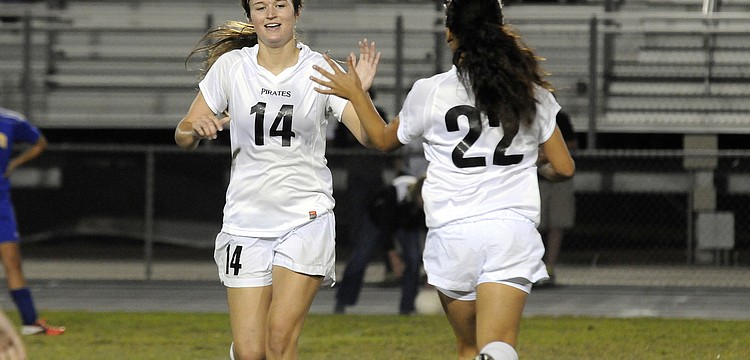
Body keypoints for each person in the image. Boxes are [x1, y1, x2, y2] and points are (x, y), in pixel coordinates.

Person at [311, 0, 575, 358]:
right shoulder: (531, 91)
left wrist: (358, 93)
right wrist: (535, 164)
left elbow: (384, 141)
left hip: (454, 233)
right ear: (500, 28)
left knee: (468, 347)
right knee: (497, 346)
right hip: (510, 229)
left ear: (450, 35)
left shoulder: (431, 91)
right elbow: (563, 168)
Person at [174, 1, 379, 359]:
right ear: (251, 15)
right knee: (252, 353)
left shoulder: (320, 70)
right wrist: (195, 128)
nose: (271, 13)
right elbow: (182, 132)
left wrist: (357, 93)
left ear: (297, 12)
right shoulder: (231, 68)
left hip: (305, 218)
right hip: (245, 223)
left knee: (279, 340)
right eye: (260, 6)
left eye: (280, 4)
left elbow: (371, 136)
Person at [0, 107, 65, 337]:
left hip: (1, 203)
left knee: (13, 262)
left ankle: (30, 323)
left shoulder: (10, 121)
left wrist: (14, 164)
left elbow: (40, 143)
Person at [335, 173, 425, 315]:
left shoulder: (425, 204)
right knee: (360, 258)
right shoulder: (393, 193)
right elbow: (385, 227)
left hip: (405, 223)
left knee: (414, 259)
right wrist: (393, 257)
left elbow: (428, 231)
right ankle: (343, 301)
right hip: (377, 220)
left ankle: (407, 308)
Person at [536, 110, 578, 287]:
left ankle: (549, 268)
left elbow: (570, 149)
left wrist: (548, 152)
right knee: (534, 225)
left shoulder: (559, 117)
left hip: (552, 174)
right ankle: (533, 268)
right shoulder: (526, 115)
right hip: (534, 178)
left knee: (556, 224)